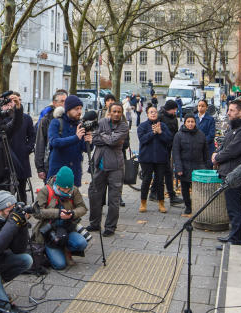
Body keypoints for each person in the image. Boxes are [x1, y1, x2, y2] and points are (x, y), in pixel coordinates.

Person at [212, 100, 241, 248]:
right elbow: (226, 145)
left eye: (231, 110)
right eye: (229, 110)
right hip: (228, 172)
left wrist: (217, 158)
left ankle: (236, 239)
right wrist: (217, 154)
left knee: (235, 207)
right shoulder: (235, 128)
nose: (228, 113)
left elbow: (233, 150)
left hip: (235, 174)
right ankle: (233, 234)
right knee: (231, 206)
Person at [32, 167, 88, 270]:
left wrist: (72, 213)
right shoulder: (46, 191)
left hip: (67, 228)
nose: (66, 191)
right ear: (57, 184)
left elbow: (83, 208)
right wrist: (58, 213)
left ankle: (65, 249)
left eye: (68, 189)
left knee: (82, 243)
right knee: (60, 265)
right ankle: (48, 250)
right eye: (63, 189)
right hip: (49, 232)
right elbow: (36, 212)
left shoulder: (74, 190)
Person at [88, 102, 130, 235]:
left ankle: (110, 227)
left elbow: (113, 141)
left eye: (119, 111)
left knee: (114, 199)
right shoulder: (102, 122)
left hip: (115, 167)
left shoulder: (124, 126)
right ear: (110, 112)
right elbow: (94, 139)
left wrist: (103, 136)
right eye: (114, 111)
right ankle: (94, 223)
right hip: (99, 165)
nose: (117, 114)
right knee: (95, 195)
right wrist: (107, 137)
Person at [173, 114, 211, 217]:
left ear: (195, 123)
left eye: (192, 122)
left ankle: (198, 205)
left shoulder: (201, 135)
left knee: (198, 188)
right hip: (184, 165)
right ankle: (188, 206)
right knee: (185, 188)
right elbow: (176, 153)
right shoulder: (179, 135)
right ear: (185, 123)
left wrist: (207, 167)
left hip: (198, 166)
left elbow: (206, 152)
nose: (190, 124)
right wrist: (179, 168)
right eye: (188, 121)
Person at [46, 95, 90, 186]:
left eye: (81, 108)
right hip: (57, 172)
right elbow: (54, 142)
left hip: (74, 172)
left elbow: (84, 148)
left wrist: (89, 141)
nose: (79, 112)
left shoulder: (80, 125)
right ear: (68, 110)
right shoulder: (56, 122)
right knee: (55, 199)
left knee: (72, 199)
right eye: (76, 109)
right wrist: (75, 138)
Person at [137, 105, 172, 213]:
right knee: (146, 180)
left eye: (155, 112)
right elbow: (142, 140)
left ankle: (161, 203)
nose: (153, 114)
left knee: (160, 181)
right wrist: (153, 133)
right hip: (146, 158)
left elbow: (169, 139)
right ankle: (143, 202)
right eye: (151, 112)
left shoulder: (163, 126)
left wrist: (160, 132)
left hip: (161, 158)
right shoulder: (142, 126)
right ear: (147, 114)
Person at [7, 94, 35, 202]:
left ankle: (21, 212)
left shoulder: (27, 118)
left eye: (16, 101)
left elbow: (32, 135)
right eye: (11, 101)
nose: (13, 103)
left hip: (21, 156)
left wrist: (27, 148)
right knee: (7, 189)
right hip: (7, 156)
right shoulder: (5, 117)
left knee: (21, 188)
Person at [35, 90, 67, 181]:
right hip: (50, 164)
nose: (64, 104)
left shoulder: (71, 119)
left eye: (66, 101)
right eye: (62, 101)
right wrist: (40, 168)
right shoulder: (46, 120)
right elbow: (40, 144)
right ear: (54, 103)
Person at [158, 100, 182, 205]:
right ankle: (171, 196)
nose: (175, 111)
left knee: (163, 172)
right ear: (170, 109)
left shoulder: (174, 119)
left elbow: (175, 133)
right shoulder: (161, 117)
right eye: (174, 109)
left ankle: (154, 193)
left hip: (169, 148)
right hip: (161, 149)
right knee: (167, 172)